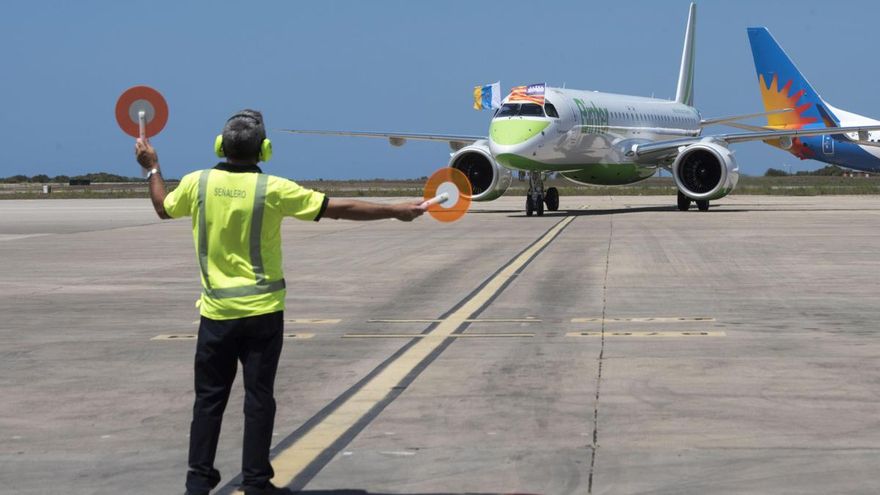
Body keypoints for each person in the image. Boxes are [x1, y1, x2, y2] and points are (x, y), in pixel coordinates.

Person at [134, 109, 425, 495]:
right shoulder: (273, 189)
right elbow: (338, 209)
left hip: (216, 316)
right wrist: (393, 211)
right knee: (258, 399)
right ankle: (256, 482)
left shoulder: (197, 184)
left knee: (208, 401)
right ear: (265, 150)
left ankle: (197, 482)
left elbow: (161, 205)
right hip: (263, 316)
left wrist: (152, 167)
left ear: (220, 146)